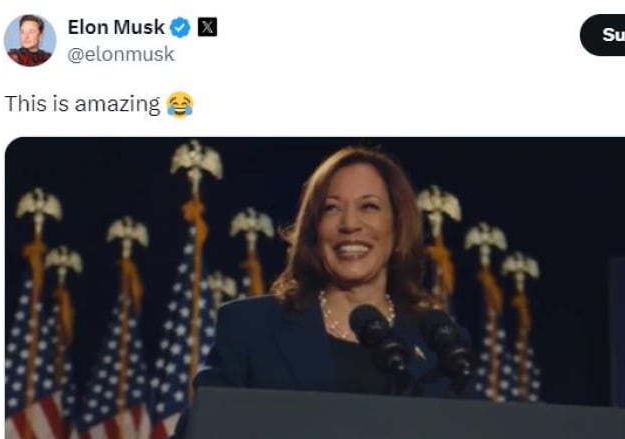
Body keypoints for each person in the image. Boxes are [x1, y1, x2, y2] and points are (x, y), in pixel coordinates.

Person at [171, 146, 476, 438]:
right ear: (314, 230)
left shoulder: (440, 343)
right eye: (332, 208)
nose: (350, 224)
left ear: (398, 228)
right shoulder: (250, 328)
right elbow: (201, 430)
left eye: (369, 206)